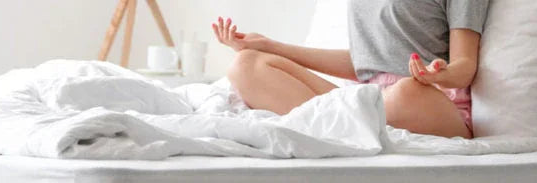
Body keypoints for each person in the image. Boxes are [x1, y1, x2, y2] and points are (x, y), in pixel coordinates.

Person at [210, 0, 489, 139]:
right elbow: (363, 64)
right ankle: (344, 134)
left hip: (429, 98)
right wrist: (270, 46)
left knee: (405, 93)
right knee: (246, 64)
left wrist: (440, 74)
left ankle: (334, 131)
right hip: (366, 100)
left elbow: (465, 65)